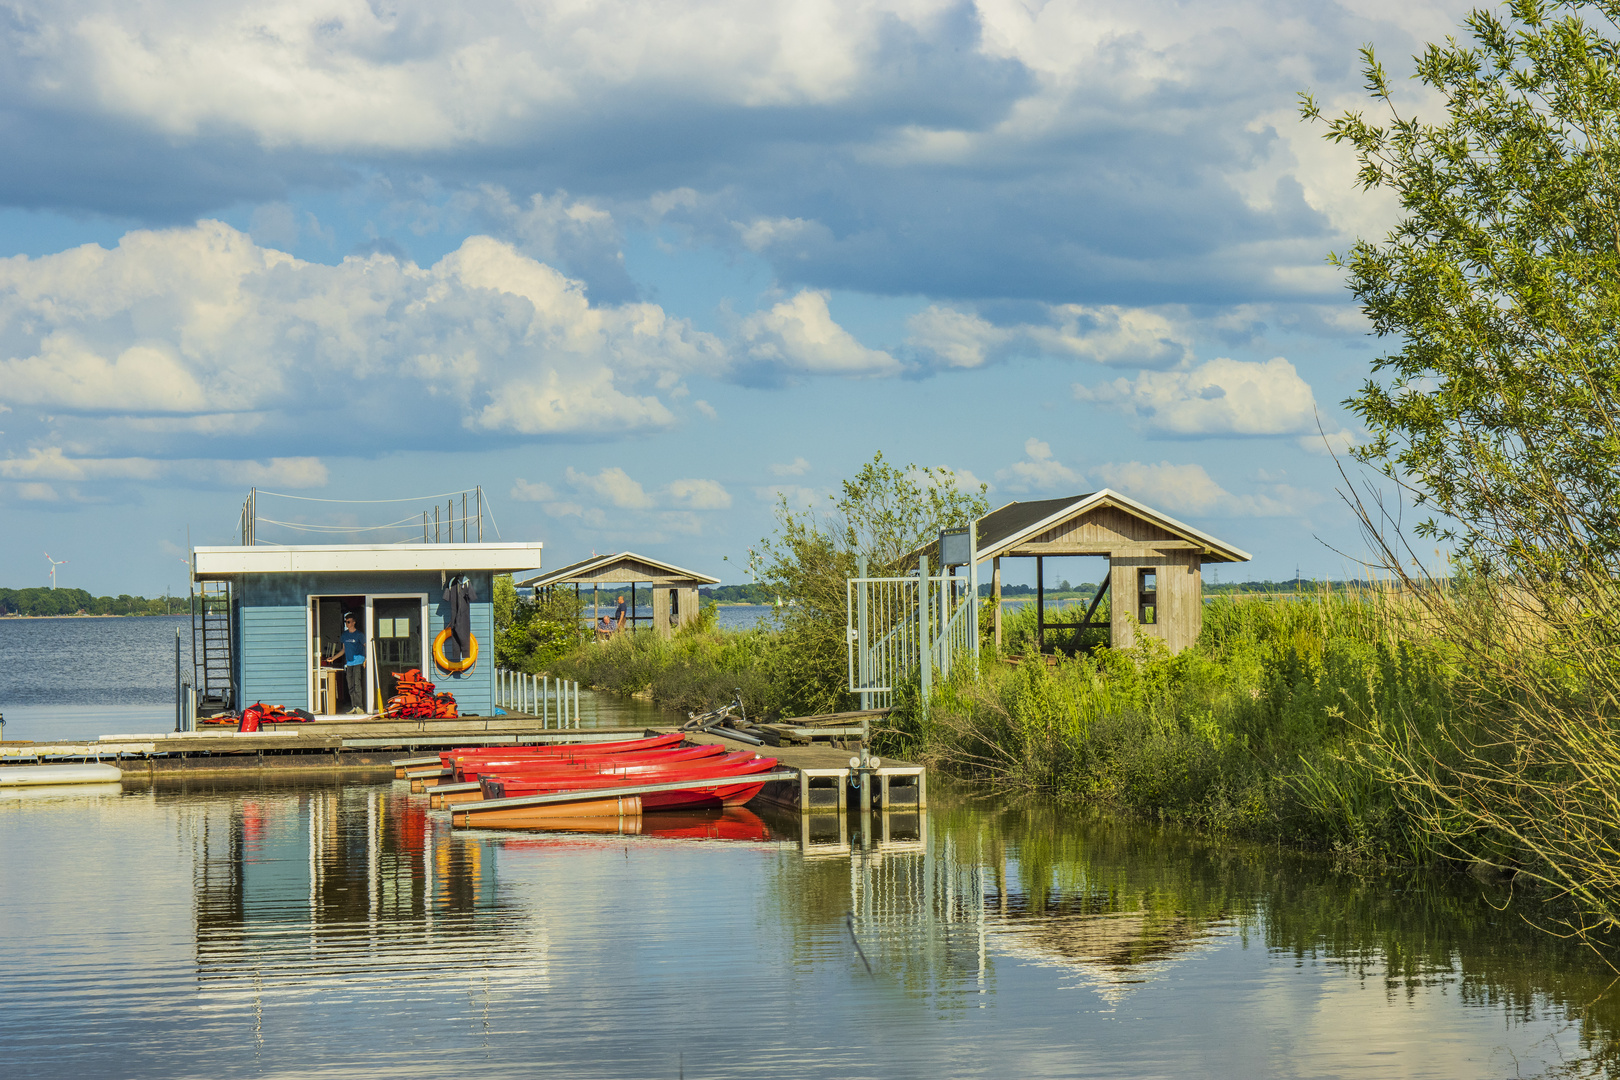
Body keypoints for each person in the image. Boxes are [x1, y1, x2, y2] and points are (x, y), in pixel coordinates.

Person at [329, 611, 367, 714]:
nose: (347, 623)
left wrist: (366, 659)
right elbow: (344, 649)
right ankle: (354, 706)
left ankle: (360, 706)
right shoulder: (345, 635)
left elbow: (366, 646)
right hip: (349, 663)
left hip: (358, 662)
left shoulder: (359, 634)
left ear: (354, 622)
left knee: (357, 684)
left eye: (349, 621)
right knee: (350, 685)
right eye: (345, 622)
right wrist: (333, 658)